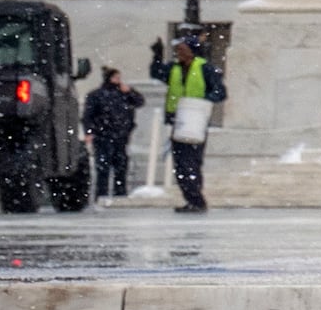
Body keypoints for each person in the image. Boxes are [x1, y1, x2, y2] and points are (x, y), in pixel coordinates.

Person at [150, 30, 225, 213]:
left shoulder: (205, 68)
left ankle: (196, 199)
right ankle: (191, 198)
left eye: (182, 49)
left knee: (191, 162)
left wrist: (202, 101)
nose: (179, 53)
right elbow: (157, 73)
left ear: (192, 51)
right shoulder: (174, 68)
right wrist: (157, 56)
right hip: (178, 120)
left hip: (196, 120)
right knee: (180, 163)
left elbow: (220, 92)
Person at [83, 65, 144, 200]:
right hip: (103, 135)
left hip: (120, 135)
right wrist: (89, 132)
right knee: (103, 166)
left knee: (120, 166)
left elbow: (139, 101)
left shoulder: (123, 94)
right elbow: (88, 115)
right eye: (116, 78)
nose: (119, 80)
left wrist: (130, 92)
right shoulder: (97, 95)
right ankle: (102, 193)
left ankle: (119, 192)